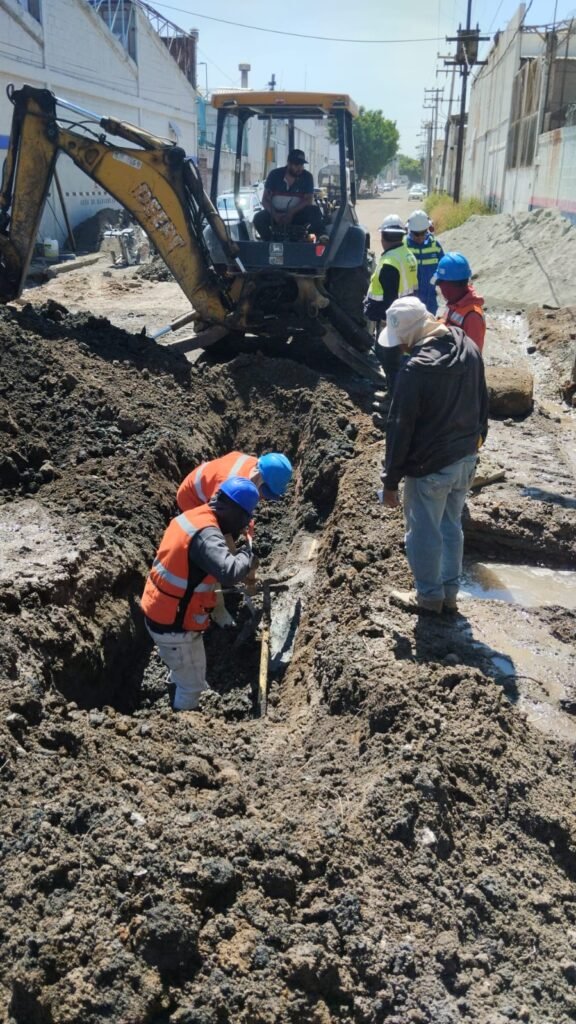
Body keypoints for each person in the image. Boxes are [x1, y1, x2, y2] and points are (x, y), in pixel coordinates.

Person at [380, 296, 489, 615]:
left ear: (412, 332)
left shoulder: (416, 369)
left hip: (430, 467)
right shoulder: (467, 347)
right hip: (464, 460)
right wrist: (475, 445)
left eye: (400, 340)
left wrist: (390, 480)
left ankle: (428, 597)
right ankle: (450, 594)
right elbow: (483, 403)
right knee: (451, 526)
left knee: (423, 531)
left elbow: (399, 428)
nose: (399, 346)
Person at [141, 477, 260, 710]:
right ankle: (183, 724)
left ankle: (178, 677)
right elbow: (228, 571)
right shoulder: (206, 534)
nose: (241, 528)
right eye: (243, 520)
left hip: (159, 609)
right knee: (192, 685)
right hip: (175, 626)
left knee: (183, 667)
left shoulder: (194, 516)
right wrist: (247, 554)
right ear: (233, 511)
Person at [176, 450, 292, 627]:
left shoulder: (257, 467)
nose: (263, 498)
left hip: (215, 491)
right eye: (265, 493)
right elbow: (222, 538)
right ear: (259, 477)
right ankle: (217, 609)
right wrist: (238, 567)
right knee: (214, 561)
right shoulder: (226, 486)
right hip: (193, 499)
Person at [364, 214, 418, 391]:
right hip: (406, 313)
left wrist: (388, 324)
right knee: (395, 359)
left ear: (383, 237)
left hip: (392, 319)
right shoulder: (407, 255)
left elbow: (390, 298)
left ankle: (394, 399)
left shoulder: (389, 262)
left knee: (387, 357)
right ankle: (393, 393)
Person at [253, 149, 323, 241]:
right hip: (275, 214)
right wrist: (275, 215)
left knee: (315, 211)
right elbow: (265, 200)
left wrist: (291, 212)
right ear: (289, 163)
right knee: (258, 218)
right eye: (296, 165)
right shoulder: (274, 175)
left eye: (301, 165)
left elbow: (308, 200)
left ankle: (321, 238)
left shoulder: (307, 177)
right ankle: (270, 242)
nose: (300, 168)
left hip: (297, 215)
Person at [432, 252, 486, 352]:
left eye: (440, 283)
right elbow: (446, 322)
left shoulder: (472, 317)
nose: (440, 288)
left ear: (450, 285)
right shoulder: (455, 303)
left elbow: (472, 359)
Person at [405, 210, 444, 314]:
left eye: (422, 233)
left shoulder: (435, 245)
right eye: (416, 234)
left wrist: (435, 278)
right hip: (410, 300)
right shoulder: (404, 246)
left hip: (430, 299)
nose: (420, 237)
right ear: (410, 230)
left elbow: (443, 267)